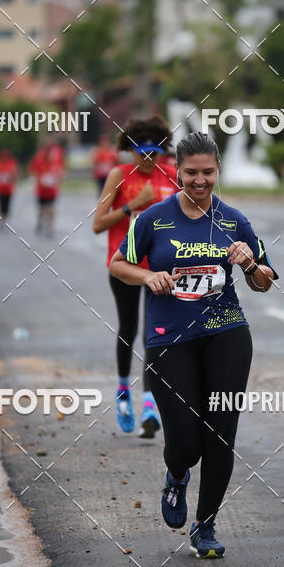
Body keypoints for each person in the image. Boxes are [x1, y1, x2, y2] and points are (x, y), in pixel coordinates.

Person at [109, 131, 277, 558]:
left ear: (217, 170)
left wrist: (251, 263)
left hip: (227, 333)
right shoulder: (153, 218)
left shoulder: (235, 220)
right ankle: (177, 474)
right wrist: (148, 276)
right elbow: (118, 264)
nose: (199, 181)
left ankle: (205, 527)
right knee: (185, 443)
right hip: (170, 340)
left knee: (220, 435)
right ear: (177, 171)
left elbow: (264, 283)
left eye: (207, 173)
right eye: (191, 173)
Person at [93, 116, 177, 438]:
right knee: (128, 327)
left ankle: (149, 404)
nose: (147, 160)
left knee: (154, 334)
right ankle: (123, 392)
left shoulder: (171, 177)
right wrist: (132, 207)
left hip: (159, 268)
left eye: (154, 154)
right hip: (125, 265)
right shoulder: (119, 176)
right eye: (141, 153)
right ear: (130, 150)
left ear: (162, 152)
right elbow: (98, 224)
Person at [29, 139, 65, 236]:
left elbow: (60, 174)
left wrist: (59, 181)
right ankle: (40, 221)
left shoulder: (55, 165)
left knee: (50, 210)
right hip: (41, 191)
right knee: (42, 210)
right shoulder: (40, 163)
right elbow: (33, 172)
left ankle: (50, 228)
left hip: (51, 191)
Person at [0, 148, 18, 226]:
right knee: (0, 205)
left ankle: (4, 220)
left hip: (8, 189)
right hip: (0, 188)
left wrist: (10, 177)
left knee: (7, 206)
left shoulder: (12, 163)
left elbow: (14, 174)